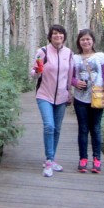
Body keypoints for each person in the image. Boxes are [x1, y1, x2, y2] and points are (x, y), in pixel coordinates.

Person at [30, 24, 75, 177]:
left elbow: (69, 75)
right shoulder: (42, 52)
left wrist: (69, 91)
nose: (58, 36)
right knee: (49, 126)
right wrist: (36, 70)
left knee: (57, 128)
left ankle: (51, 158)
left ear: (64, 36)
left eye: (61, 34)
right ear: (50, 36)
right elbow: (34, 74)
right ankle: (49, 161)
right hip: (44, 95)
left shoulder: (68, 53)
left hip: (62, 97)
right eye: (55, 34)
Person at [71, 28, 104, 174]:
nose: (85, 41)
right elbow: (69, 77)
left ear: (93, 41)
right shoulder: (75, 58)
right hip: (80, 98)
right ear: (79, 42)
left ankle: (97, 159)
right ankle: (83, 159)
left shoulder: (101, 57)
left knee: (95, 128)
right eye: (82, 39)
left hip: (97, 98)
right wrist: (75, 82)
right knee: (83, 129)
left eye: (88, 39)